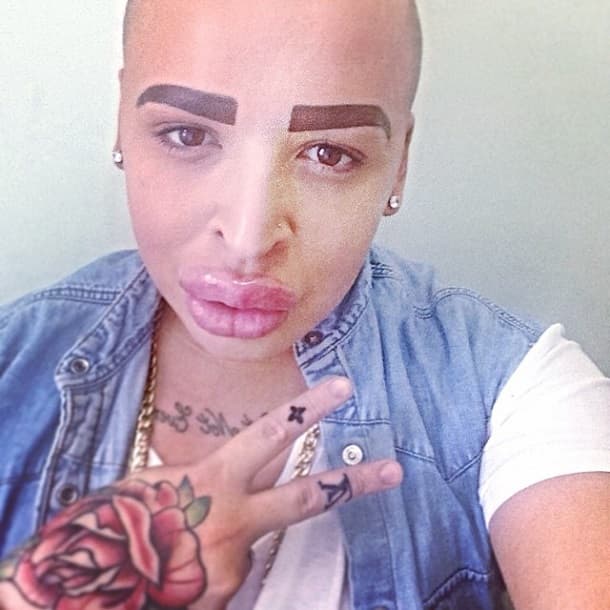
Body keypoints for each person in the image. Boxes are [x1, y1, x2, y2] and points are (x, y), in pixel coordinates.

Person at [0, 1, 609, 609]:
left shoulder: (516, 390)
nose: (248, 239)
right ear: (121, 123)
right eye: (188, 134)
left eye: (329, 153)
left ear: (398, 164)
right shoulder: (11, 361)